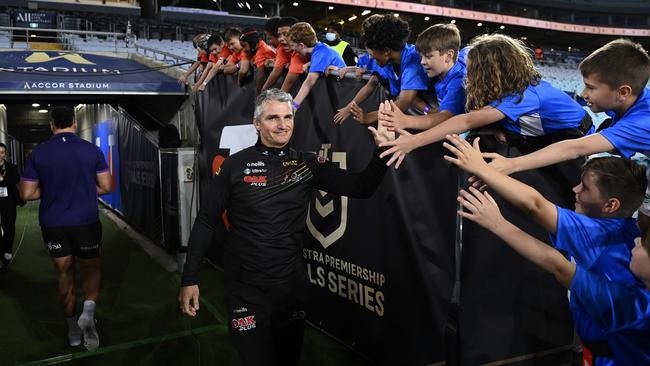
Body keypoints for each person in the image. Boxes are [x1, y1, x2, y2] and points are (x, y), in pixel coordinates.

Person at [178, 89, 392, 366]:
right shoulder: (234, 166)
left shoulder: (306, 164)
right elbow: (206, 219)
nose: (282, 124)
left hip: (290, 290)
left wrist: (382, 152)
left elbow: (362, 187)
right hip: (245, 290)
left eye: (288, 117)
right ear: (257, 123)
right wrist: (189, 278)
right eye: (273, 118)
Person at [443, 134, 647, 365]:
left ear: (611, 205)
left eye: (586, 188)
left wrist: (483, 169)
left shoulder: (599, 235)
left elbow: (535, 206)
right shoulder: (630, 230)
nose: (575, 189)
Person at [480, 39, 650, 234]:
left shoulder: (641, 122)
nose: (582, 93)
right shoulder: (633, 98)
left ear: (623, 92)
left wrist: (511, 164)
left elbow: (574, 148)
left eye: (591, 87)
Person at [379, 34, 592, 168]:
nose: (468, 75)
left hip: (571, 137)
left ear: (491, 72)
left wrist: (413, 141)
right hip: (542, 133)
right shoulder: (509, 90)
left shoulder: (523, 96)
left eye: (474, 70)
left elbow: (467, 121)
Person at [19, 106, 112, 350]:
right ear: (74, 122)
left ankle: (72, 329)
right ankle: (88, 314)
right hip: (86, 221)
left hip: (53, 223)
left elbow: (26, 193)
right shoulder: (90, 150)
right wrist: (81, 189)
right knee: (91, 269)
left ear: (51, 124)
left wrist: (52, 191)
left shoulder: (39, 153)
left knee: (64, 275)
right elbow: (106, 186)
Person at [380, 24, 468, 132]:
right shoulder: (441, 70)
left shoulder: (459, 81)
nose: (422, 62)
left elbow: (445, 117)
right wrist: (428, 110)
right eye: (421, 56)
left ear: (449, 56)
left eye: (428, 56)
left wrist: (406, 120)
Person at [346, 14, 430, 125]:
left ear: (386, 51)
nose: (370, 57)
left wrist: (368, 117)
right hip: (427, 112)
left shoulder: (413, 62)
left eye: (372, 53)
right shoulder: (389, 61)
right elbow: (410, 97)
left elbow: (403, 103)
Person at [287, 22, 345, 110]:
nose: (292, 49)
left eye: (292, 46)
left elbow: (309, 81)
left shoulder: (320, 53)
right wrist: (310, 63)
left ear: (301, 45)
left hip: (343, 95)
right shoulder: (320, 49)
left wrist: (294, 106)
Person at [262, 17, 306, 92]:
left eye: (286, 34)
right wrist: (263, 90)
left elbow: (289, 82)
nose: (281, 39)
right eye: (279, 35)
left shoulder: (301, 50)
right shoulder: (282, 49)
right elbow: (276, 71)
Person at [0, 142, 21, 272]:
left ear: (5, 154)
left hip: (8, 202)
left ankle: (7, 251)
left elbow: (15, 179)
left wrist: (3, 180)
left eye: (2, 152)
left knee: (9, 227)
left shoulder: (11, 167)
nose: (0, 155)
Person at [239, 28, 276, 95]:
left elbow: (260, 75)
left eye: (244, 46)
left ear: (252, 42)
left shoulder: (262, 51)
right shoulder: (257, 47)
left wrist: (258, 94)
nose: (243, 50)